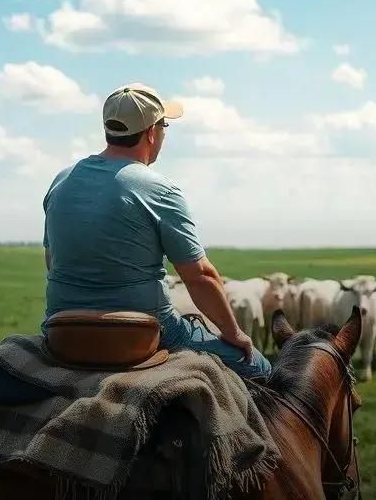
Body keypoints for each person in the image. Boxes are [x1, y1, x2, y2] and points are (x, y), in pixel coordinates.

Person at [40, 83, 271, 379]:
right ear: (151, 132)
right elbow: (200, 276)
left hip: (62, 331)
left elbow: (52, 261)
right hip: (143, 332)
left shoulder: (61, 180)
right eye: (164, 126)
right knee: (261, 370)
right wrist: (235, 333)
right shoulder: (159, 189)